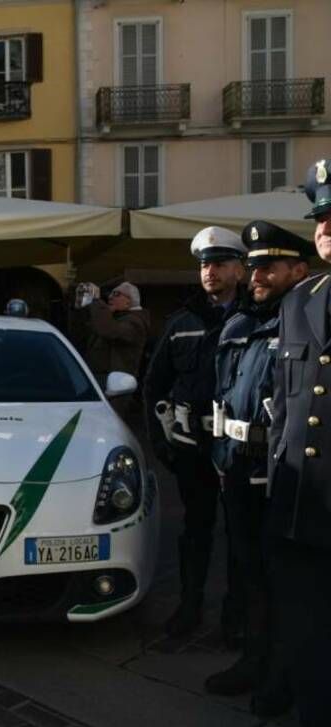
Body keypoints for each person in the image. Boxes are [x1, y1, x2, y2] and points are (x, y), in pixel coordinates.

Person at [206, 221, 311, 714]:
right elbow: (223, 397)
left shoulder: (306, 324)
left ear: (299, 269)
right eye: (252, 268)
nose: (257, 277)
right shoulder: (239, 326)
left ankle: (284, 676)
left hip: (283, 476)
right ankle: (254, 659)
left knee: (286, 582)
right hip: (237, 471)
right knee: (248, 573)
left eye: (268, 267)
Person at [143, 226, 247, 641]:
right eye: (205, 265)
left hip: (241, 449)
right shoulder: (182, 321)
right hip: (192, 447)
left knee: (241, 534)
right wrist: (160, 442)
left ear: (240, 269)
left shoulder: (256, 318)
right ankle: (189, 607)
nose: (210, 272)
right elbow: (154, 384)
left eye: (220, 264)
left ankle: (235, 616)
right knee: (196, 529)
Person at [266, 159, 331, 727]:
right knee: (309, 627)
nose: (327, 228)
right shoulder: (299, 301)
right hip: (302, 506)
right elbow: (289, 409)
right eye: (321, 217)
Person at [79, 281, 150, 416]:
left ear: (129, 302)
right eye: (110, 294)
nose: (110, 297)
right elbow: (87, 329)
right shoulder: (115, 318)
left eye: (116, 294)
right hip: (104, 383)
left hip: (117, 388)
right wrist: (86, 303)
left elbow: (109, 331)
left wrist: (97, 301)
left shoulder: (134, 322)